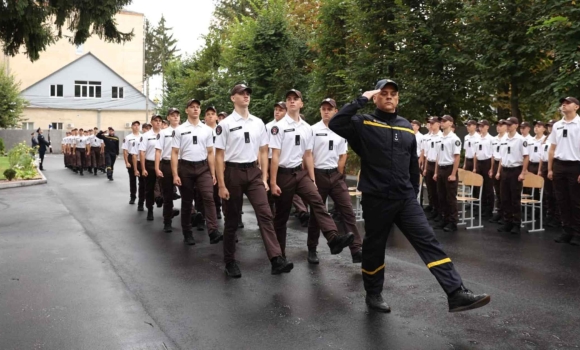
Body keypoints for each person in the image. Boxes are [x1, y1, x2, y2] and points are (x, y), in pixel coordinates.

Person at [329, 79, 490, 313]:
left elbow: (412, 163)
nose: (389, 97)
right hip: (377, 198)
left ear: (398, 98)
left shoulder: (406, 126)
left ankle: (456, 293)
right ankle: (373, 294)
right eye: (383, 93)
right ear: (375, 97)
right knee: (374, 249)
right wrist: (361, 98)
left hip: (405, 199)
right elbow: (336, 122)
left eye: (393, 94)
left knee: (429, 242)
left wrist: (413, 192)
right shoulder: (364, 123)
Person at [215, 83, 294, 278]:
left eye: (248, 93)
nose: (246, 96)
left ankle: (276, 259)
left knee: (266, 214)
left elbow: (263, 150)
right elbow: (218, 155)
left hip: (253, 172)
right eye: (241, 93)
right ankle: (230, 261)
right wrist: (221, 184)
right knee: (232, 220)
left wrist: (265, 177)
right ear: (233, 98)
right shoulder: (224, 125)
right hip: (232, 172)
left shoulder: (258, 122)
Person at [269, 89, 354, 258]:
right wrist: (272, 182)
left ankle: (333, 238)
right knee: (281, 216)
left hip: (300, 174)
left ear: (301, 103)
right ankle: (280, 256)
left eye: (296, 99)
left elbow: (308, 155)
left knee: (317, 202)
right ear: (286, 104)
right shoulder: (278, 127)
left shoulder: (307, 128)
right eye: (289, 99)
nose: (292, 101)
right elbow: (275, 156)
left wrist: (313, 179)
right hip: (283, 175)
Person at [307, 97, 363, 264]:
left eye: (329, 109)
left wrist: (339, 173)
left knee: (347, 211)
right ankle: (312, 248)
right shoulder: (312, 129)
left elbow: (342, 154)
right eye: (323, 108)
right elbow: (308, 154)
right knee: (317, 214)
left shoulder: (340, 129)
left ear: (335, 111)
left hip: (335, 175)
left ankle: (356, 250)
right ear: (320, 111)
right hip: (318, 174)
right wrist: (311, 178)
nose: (326, 111)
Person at [171, 99, 223, 244]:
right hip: (185, 168)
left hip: (203, 168)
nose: (195, 109)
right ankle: (187, 232)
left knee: (208, 196)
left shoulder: (207, 130)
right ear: (187, 110)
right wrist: (175, 174)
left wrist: (213, 173)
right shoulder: (179, 130)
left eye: (197, 107)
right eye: (192, 107)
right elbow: (174, 153)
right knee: (187, 201)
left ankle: (213, 230)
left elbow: (210, 152)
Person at [548, 97, 580, 245]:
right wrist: (550, 168)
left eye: (568, 103)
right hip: (559, 165)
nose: (564, 105)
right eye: (563, 103)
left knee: (576, 201)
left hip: (575, 165)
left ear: (576, 107)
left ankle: (577, 233)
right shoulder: (557, 125)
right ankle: (566, 231)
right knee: (561, 200)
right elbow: (552, 148)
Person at [495, 117, 529, 234]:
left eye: (510, 124)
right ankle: (507, 222)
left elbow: (526, 156)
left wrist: (523, 172)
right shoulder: (503, 139)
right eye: (506, 124)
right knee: (504, 198)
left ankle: (516, 223)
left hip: (515, 170)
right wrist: (499, 171)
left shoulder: (520, 139)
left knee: (515, 199)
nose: (507, 126)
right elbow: (501, 157)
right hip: (505, 169)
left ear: (516, 125)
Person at [155, 108, 182, 232]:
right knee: (168, 194)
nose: (175, 117)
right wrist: (157, 167)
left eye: (177, 115)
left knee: (187, 193)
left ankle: (191, 218)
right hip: (167, 164)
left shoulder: (185, 131)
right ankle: (167, 221)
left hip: (183, 164)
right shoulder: (163, 132)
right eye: (173, 115)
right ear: (168, 117)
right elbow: (158, 150)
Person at [433, 115, 462, 232]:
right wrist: (436, 172)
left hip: (450, 168)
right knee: (441, 196)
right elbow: (438, 156)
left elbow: (457, 157)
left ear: (451, 123)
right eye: (441, 121)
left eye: (444, 121)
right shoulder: (440, 138)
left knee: (450, 197)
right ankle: (444, 218)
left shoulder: (454, 139)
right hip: (441, 168)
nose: (442, 123)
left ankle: (452, 221)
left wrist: (454, 173)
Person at [139, 115, 163, 221]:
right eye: (156, 121)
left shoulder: (165, 134)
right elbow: (142, 152)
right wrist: (143, 168)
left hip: (163, 163)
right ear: (151, 122)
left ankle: (167, 210)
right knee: (149, 188)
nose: (158, 122)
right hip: (150, 164)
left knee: (166, 187)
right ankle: (150, 209)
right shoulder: (146, 135)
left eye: (159, 121)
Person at [203, 106, 223, 220]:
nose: (210, 116)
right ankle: (203, 210)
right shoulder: (202, 129)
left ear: (216, 116)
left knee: (217, 186)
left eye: (212, 114)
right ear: (205, 117)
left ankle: (217, 208)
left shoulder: (221, 129)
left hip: (218, 161)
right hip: (204, 162)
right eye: (208, 114)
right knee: (204, 189)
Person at [541, 120, 561, 228]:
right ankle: (550, 214)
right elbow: (542, 154)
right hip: (545, 164)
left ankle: (557, 216)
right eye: (548, 126)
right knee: (548, 192)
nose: (549, 128)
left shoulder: (558, 137)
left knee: (555, 192)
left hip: (554, 164)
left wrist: (551, 168)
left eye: (551, 126)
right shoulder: (546, 138)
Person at [473, 120, 494, 217]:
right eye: (479, 126)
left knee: (488, 187)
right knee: (479, 186)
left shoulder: (491, 139)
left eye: (482, 126)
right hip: (479, 163)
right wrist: (475, 166)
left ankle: (489, 209)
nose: (480, 128)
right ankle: (482, 207)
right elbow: (475, 154)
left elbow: (493, 155)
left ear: (487, 127)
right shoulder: (477, 139)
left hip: (487, 162)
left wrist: (492, 168)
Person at [423, 117, 442, 221]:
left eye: (433, 123)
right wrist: (425, 168)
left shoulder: (441, 137)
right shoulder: (430, 137)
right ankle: (434, 209)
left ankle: (440, 211)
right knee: (431, 190)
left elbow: (439, 154)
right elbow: (427, 153)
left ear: (438, 124)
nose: (431, 125)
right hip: (429, 163)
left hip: (437, 164)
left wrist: (435, 170)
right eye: (429, 123)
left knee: (438, 190)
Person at [489, 120, 508, 223]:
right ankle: (499, 212)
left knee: (503, 191)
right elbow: (493, 155)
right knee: (497, 190)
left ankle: (504, 213)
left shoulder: (506, 138)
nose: (498, 127)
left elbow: (502, 156)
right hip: (495, 164)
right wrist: (492, 169)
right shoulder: (494, 139)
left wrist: (499, 172)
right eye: (497, 125)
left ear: (506, 127)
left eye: (501, 125)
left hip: (503, 164)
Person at [123, 121, 142, 204]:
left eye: (138, 125)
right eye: (134, 125)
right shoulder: (128, 137)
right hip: (131, 158)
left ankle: (141, 199)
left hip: (141, 159)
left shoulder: (143, 136)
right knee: (132, 179)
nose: (136, 127)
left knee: (142, 180)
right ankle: (133, 196)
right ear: (132, 127)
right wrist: (126, 162)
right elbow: (125, 151)